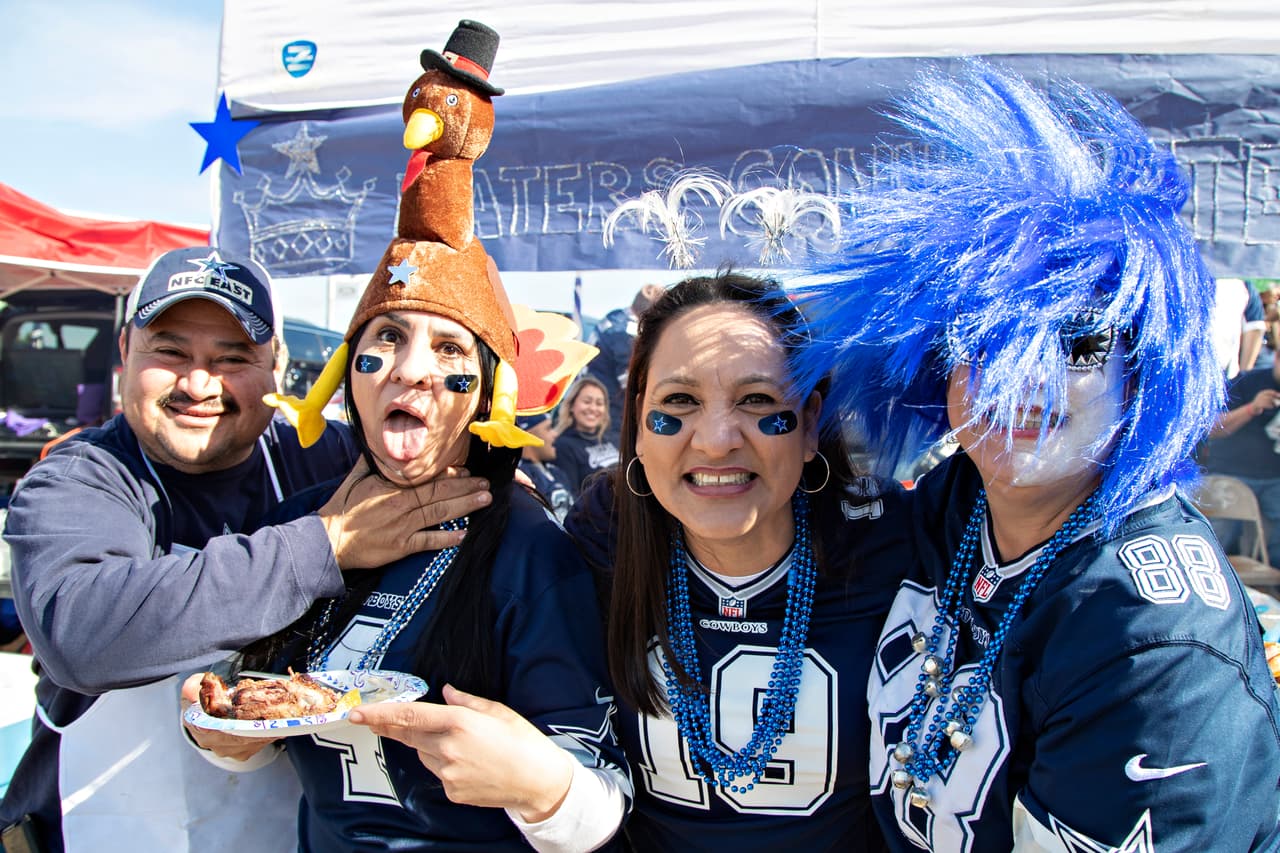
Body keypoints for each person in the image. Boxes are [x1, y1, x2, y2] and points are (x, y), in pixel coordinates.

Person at [791, 60, 1280, 851]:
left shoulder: (1152, 635)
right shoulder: (959, 499)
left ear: (1144, 369)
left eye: (1078, 343)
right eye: (983, 341)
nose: (1022, 376)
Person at [0, 246, 489, 853]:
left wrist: (485, 477)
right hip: (96, 828)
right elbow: (84, 634)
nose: (198, 384)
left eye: (232, 358)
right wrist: (326, 544)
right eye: (171, 352)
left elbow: (441, 469)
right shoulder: (78, 480)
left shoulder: (326, 458)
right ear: (126, 351)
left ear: (276, 365)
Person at [182, 227, 630, 851]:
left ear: (490, 393)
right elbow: (266, 718)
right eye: (387, 338)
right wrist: (226, 738)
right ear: (347, 374)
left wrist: (539, 786)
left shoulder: (532, 553)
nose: (412, 370)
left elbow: (601, 798)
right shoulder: (299, 526)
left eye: (450, 349)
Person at [564, 270, 910, 850]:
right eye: (680, 401)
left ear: (809, 423)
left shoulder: (890, 536)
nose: (717, 439)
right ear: (639, 422)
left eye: (757, 400)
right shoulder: (603, 538)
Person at [1202, 358, 1280, 562]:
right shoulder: (1246, 382)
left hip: (1275, 479)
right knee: (1219, 536)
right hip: (1231, 473)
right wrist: (1252, 408)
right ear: (1277, 359)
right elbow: (1212, 428)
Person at [587, 283, 664, 444]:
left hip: (591, 398)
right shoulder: (626, 334)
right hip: (608, 410)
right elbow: (630, 383)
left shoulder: (614, 316)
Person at [553, 375, 619, 495]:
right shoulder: (563, 445)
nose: (593, 408)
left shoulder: (612, 438)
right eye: (587, 402)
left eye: (599, 403)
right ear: (571, 405)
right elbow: (572, 495)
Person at [516, 412, 575, 523]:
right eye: (548, 428)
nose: (555, 434)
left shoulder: (556, 472)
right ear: (528, 436)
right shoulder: (522, 477)